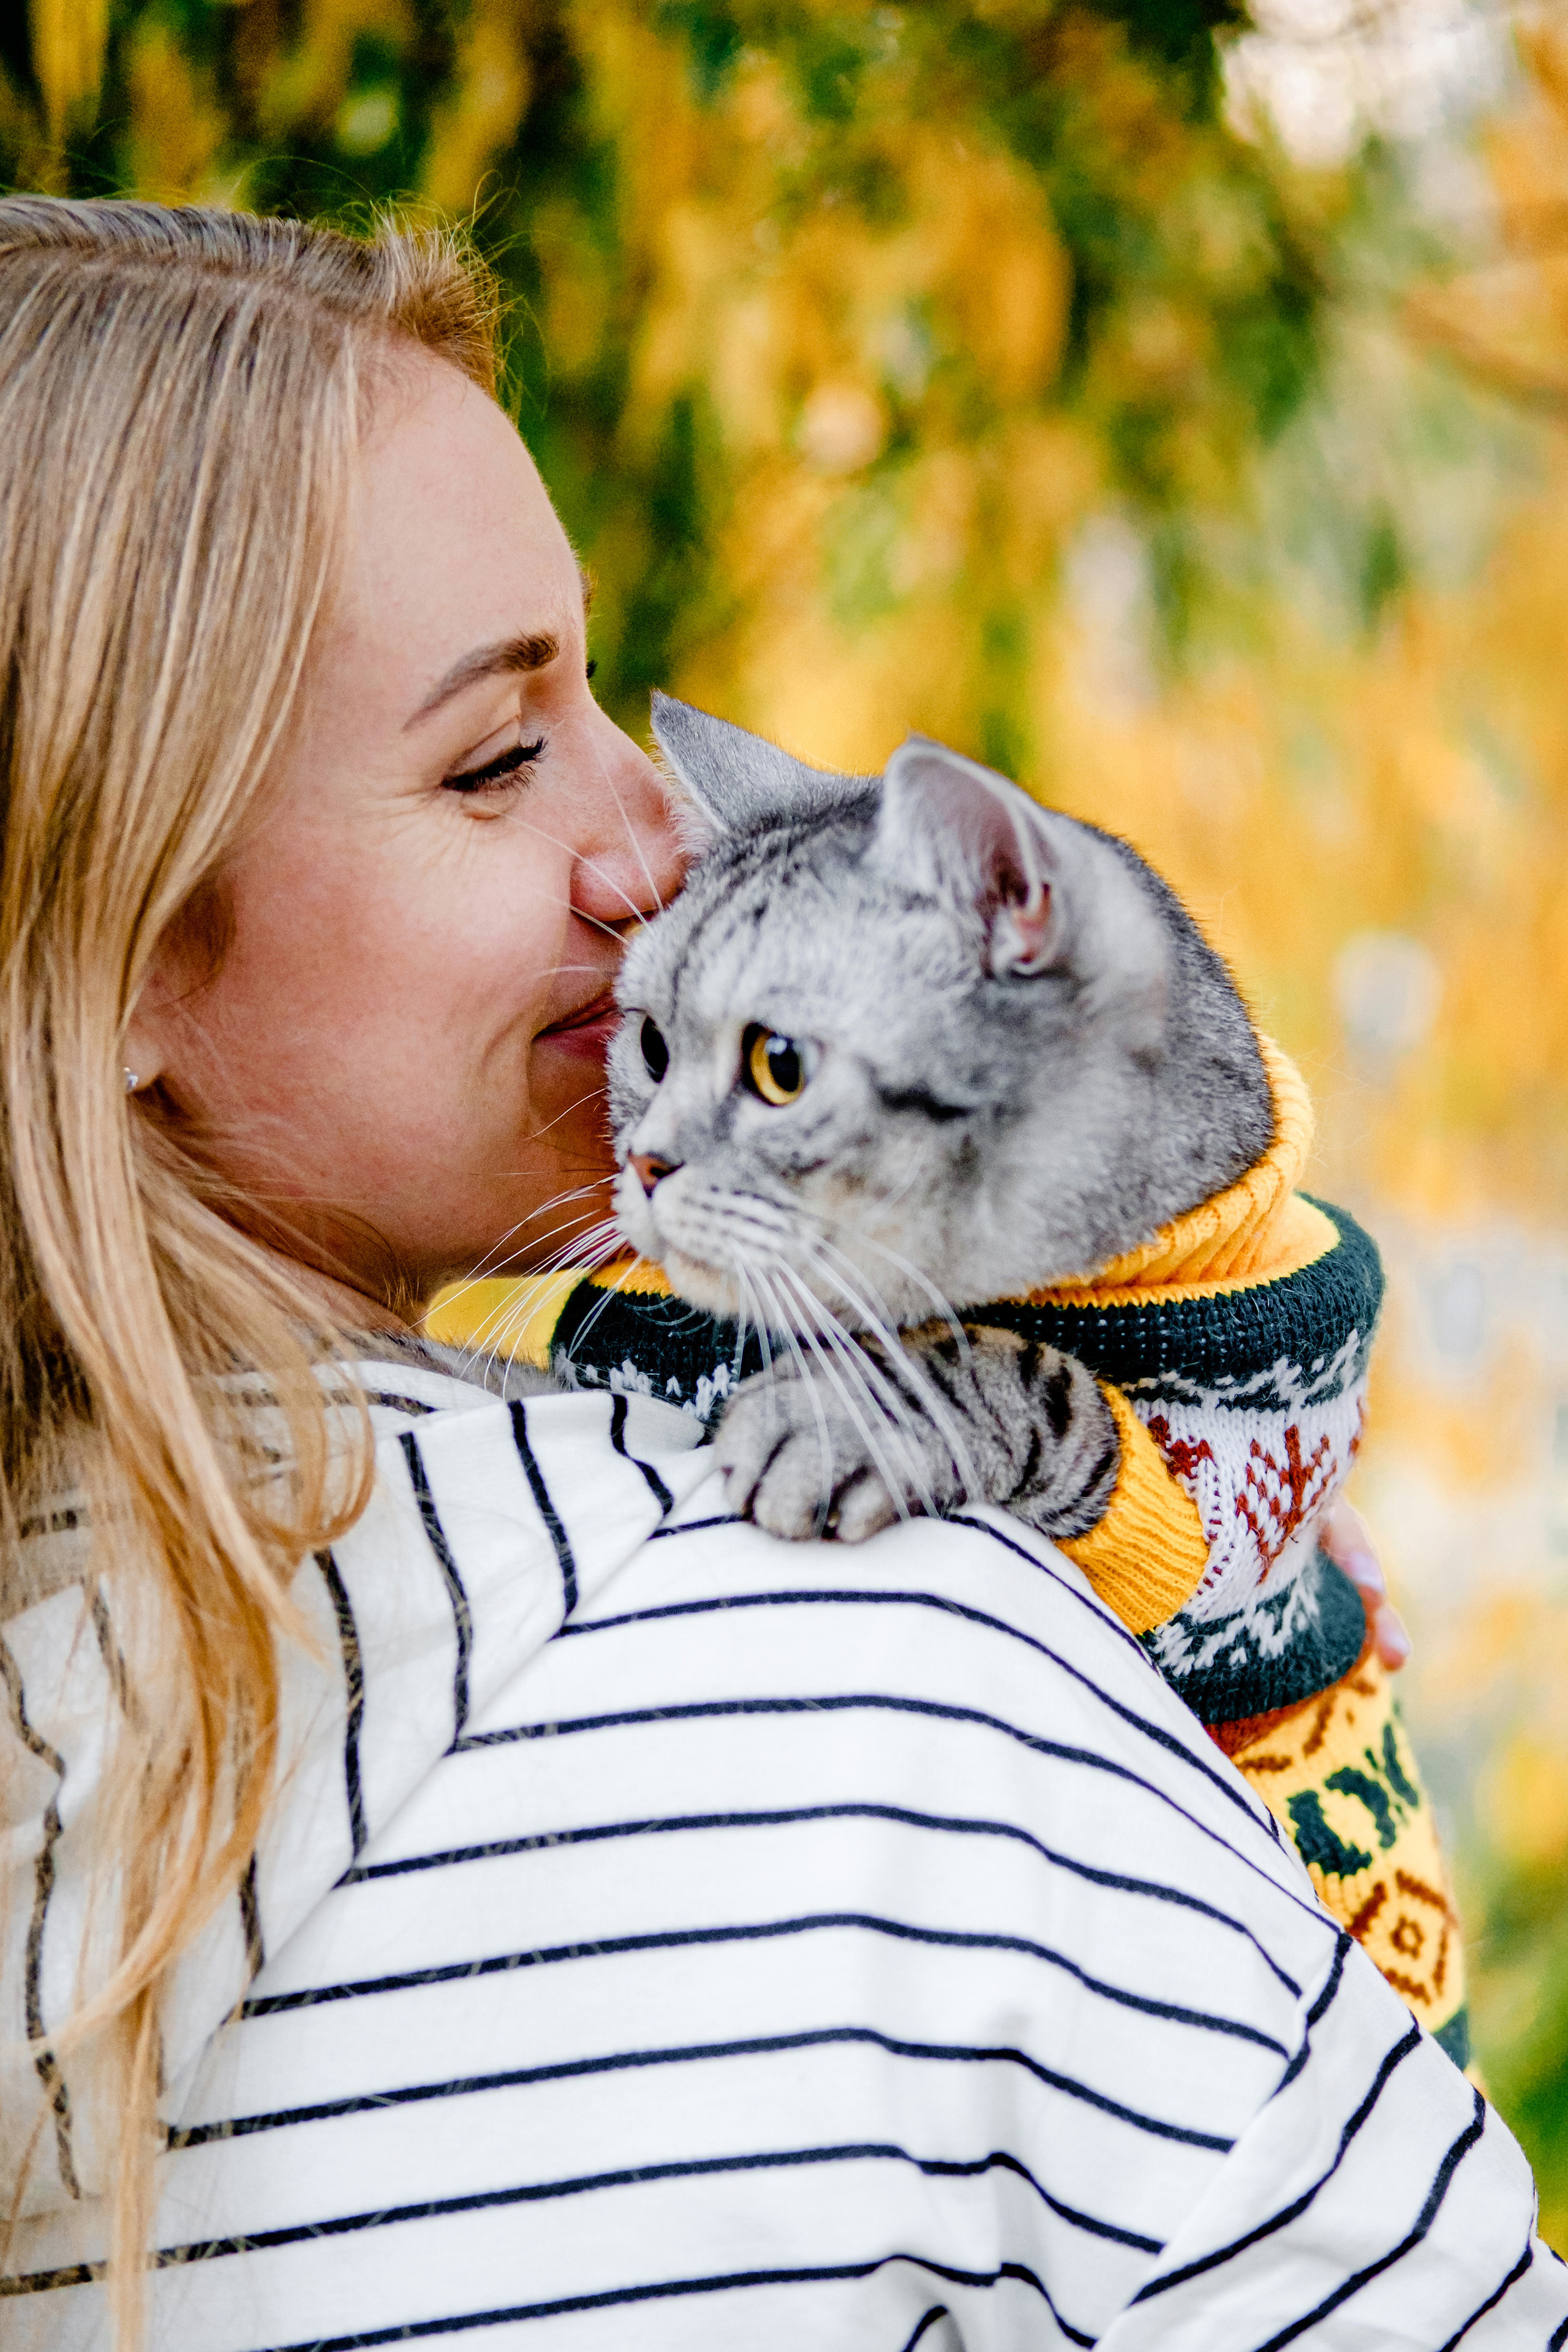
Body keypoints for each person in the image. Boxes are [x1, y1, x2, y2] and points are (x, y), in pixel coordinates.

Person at [0, 196, 1559, 2352]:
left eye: (597, 697)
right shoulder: (894, 1699)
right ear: (121, 953)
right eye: (492, 754)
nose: (665, 853)